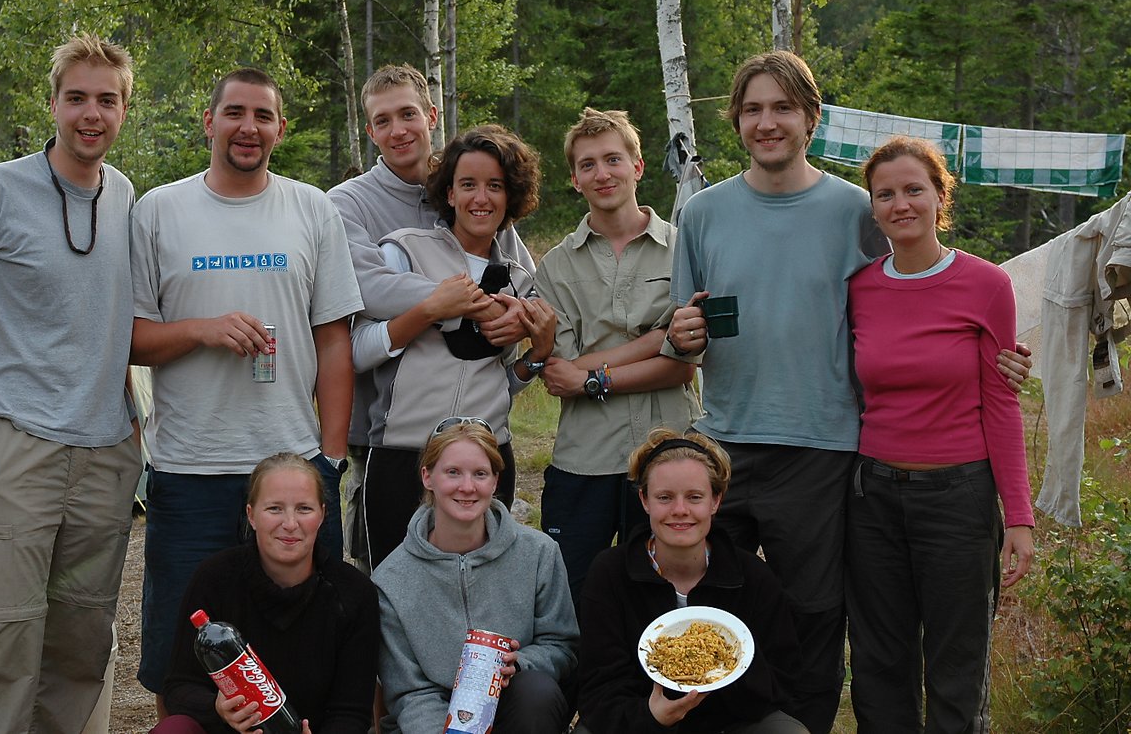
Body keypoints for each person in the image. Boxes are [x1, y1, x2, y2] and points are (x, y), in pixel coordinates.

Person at [662, 51, 1033, 732]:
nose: (767, 122)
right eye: (752, 109)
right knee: (714, 611)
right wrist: (679, 334)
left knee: (816, 620)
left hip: (825, 451)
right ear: (736, 121)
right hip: (726, 444)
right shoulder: (703, 214)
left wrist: (991, 359)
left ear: (812, 118)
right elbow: (682, 335)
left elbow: (909, 290)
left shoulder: (855, 210)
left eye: (782, 108)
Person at [131, 68, 362, 712]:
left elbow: (334, 339)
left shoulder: (311, 208)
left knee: (308, 642)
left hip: (290, 468)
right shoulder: (158, 210)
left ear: (280, 129)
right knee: (184, 648)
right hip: (189, 468)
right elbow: (129, 339)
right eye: (234, 113)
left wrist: (331, 456)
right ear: (209, 122)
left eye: (262, 116)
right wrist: (201, 330)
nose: (247, 128)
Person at [0, 34, 143, 732]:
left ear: (123, 110)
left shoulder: (126, 196)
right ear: (51, 103)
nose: (91, 112)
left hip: (105, 457)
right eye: (76, 97)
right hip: (15, 450)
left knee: (79, 651)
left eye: (106, 99)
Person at [845, 137, 1034, 731]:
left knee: (956, 666)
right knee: (879, 664)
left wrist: (1021, 517)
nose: (900, 204)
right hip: (871, 500)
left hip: (959, 501)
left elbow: (1001, 405)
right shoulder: (859, 288)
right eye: (885, 194)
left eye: (913, 190)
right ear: (872, 208)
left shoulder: (985, 285)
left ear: (939, 196)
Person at [328, 63, 534, 571]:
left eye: (407, 114)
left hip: (479, 434)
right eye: (382, 121)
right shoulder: (347, 203)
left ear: (431, 116)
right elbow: (367, 289)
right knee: (392, 571)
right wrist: (457, 303)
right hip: (389, 430)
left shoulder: (476, 191)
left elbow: (522, 286)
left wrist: (519, 319)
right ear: (370, 131)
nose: (398, 130)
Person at [535, 107, 700, 610]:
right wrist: (654, 338)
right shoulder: (556, 265)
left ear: (639, 166)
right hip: (585, 459)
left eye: (613, 160)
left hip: (671, 450)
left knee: (666, 592)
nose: (602, 173)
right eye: (588, 165)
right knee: (574, 594)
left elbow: (682, 363)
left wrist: (591, 376)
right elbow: (559, 372)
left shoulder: (684, 249)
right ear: (574, 180)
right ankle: (584, 690)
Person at [576, 429, 807, 734]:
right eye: (665, 497)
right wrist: (651, 716)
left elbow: (782, 680)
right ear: (645, 500)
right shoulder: (610, 573)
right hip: (639, 724)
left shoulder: (752, 576)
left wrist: (727, 668)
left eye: (695, 497)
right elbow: (597, 690)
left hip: (731, 722)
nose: (680, 510)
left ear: (716, 500)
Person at [374, 419, 579, 734]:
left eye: (480, 474)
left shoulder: (539, 553)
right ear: (427, 477)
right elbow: (408, 691)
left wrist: (521, 662)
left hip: (515, 707)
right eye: (453, 472)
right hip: (431, 722)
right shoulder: (391, 579)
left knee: (536, 691)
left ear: (495, 481)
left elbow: (562, 646)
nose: (467, 487)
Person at [153, 453, 380, 734]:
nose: (290, 523)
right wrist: (218, 708)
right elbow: (178, 687)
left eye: (304, 509)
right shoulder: (214, 578)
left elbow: (352, 711)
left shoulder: (354, 593)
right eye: (274, 509)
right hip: (228, 731)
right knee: (173, 729)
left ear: (322, 514)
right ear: (251, 515)